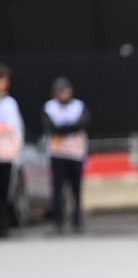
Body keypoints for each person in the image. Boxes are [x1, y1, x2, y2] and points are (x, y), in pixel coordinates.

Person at [42, 77, 90, 233]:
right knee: (57, 190)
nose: (64, 93)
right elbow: (51, 127)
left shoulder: (78, 106)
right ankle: (58, 222)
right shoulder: (50, 107)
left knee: (76, 189)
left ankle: (76, 220)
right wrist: (69, 128)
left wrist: (64, 128)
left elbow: (82, 123)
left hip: (76, 154)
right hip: (58, 154)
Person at [0, 63, 24, 238]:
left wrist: (16, 153)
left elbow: (13, 128)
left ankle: (4, 227)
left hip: (5, 156)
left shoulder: (9, 104)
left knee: (4, 194)